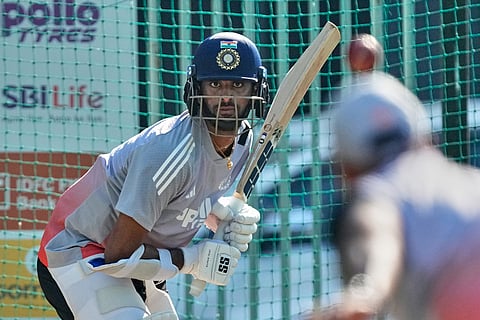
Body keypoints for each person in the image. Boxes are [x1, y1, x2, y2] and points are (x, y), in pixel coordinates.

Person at [37, 31, 269, 320]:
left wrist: (217, 213)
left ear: (256, 89)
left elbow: (186, 192)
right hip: (81, 249)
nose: (226, 97)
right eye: (214, 84)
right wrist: (193, 260)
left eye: (237, 85)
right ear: (195, 87)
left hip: (139, 258)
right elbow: (118, 254)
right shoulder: (168, 152)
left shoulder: (244, 142)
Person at [307, 71, 480, 320]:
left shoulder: (375, 198)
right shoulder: (471, 181)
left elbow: (377, 237)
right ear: (426, 139)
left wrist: (365, 292)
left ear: (343, 167)